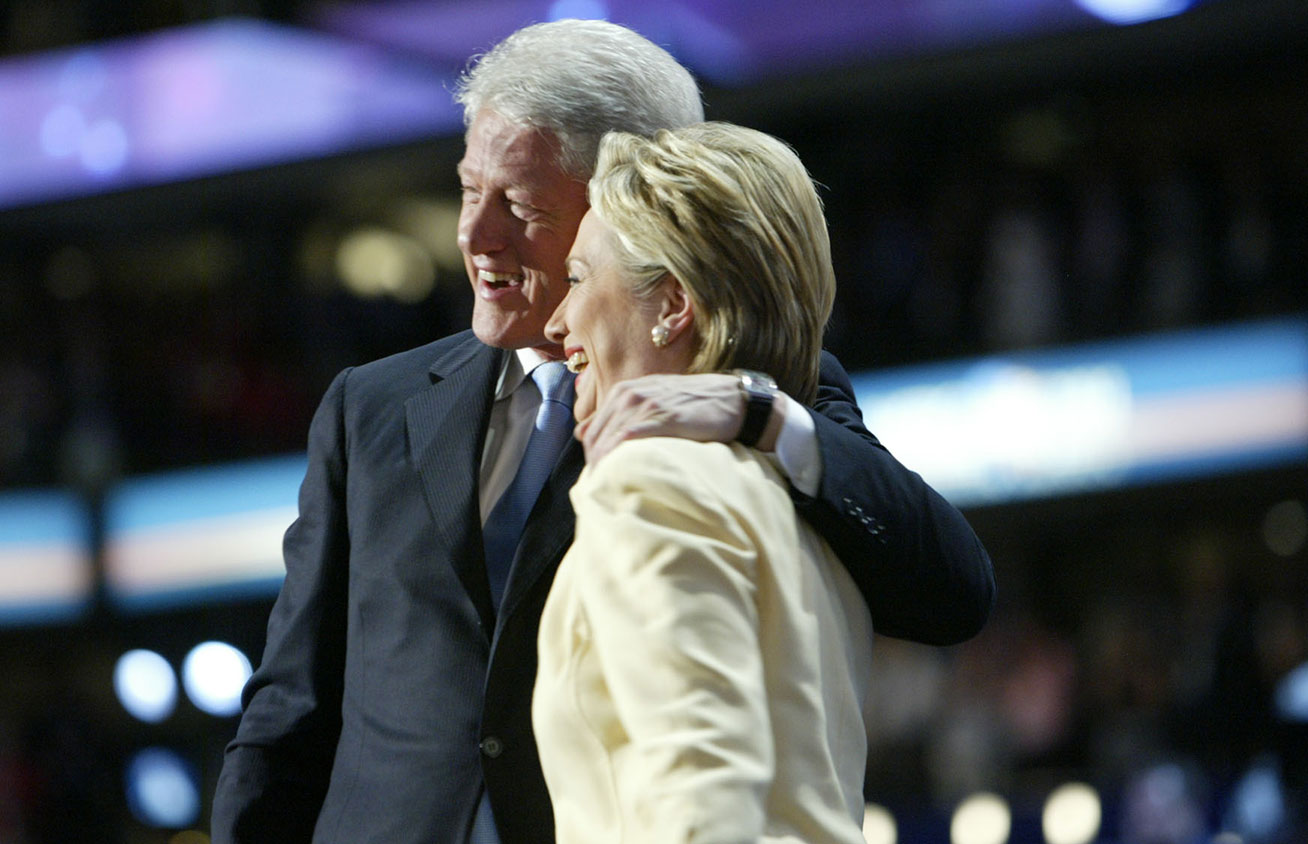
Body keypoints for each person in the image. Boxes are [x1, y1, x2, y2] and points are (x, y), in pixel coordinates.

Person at [212, 18, 993, 844]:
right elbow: (288, 712)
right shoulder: (369, 405)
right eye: (468, 189)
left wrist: (759, 415)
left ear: (633, 199)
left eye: (518, 204)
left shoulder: (746, 397)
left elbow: (952, 589)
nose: (475, 237)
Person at [533, 122, 867, 844]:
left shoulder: (652, 482)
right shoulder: (800, 504)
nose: (557, 321)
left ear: (674, 306)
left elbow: (704, 789)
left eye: (579, 279)